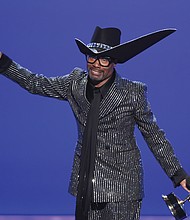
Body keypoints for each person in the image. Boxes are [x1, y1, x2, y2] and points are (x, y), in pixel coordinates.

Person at [0, 26, 189, 220]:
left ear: (114, 62)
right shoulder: (74, 83)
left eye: (104, 59)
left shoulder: (132, 92)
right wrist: (2, 61)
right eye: (91, 57)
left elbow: (154, 135)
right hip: (86, 184)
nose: (96, 64)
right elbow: (34, 83)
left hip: (122, 188)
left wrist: (179, 175)